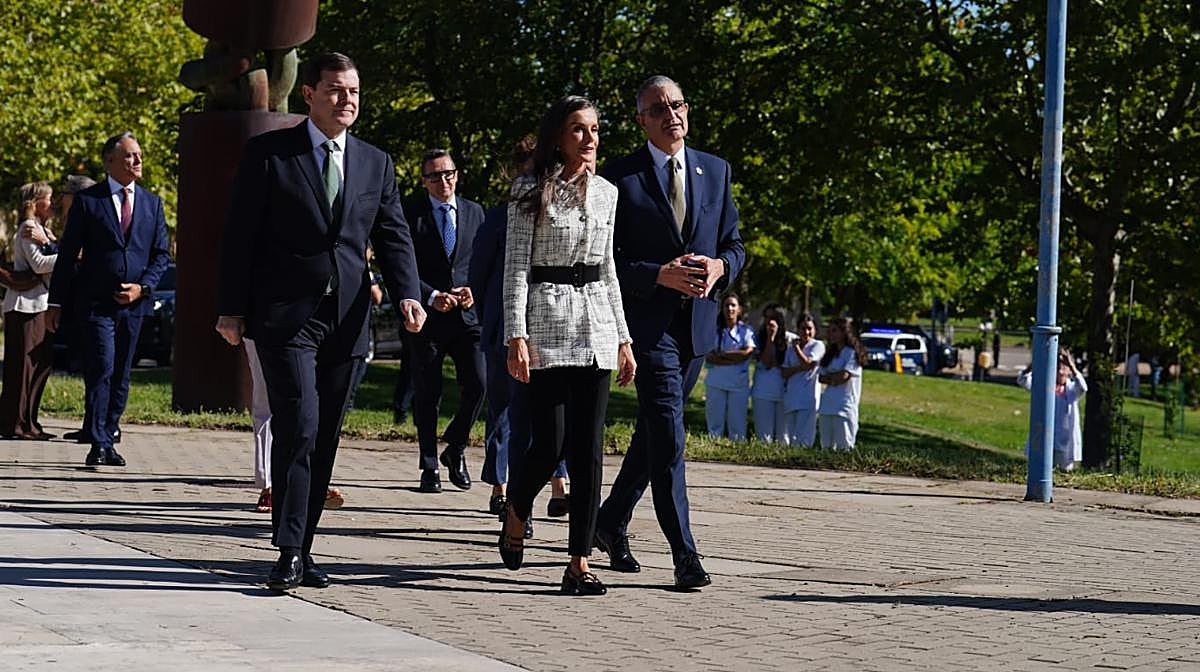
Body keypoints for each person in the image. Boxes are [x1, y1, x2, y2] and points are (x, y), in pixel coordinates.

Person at [215, 52, 426, 592]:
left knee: (326, 437)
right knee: (299, 426)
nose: (346, 100)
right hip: (286, 319)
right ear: (308, 94)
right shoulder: (270, 155)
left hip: (347, 320)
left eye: (354, 91)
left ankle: (305, 548)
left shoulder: (375, 163)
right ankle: (285, 551)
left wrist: (408, 295)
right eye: (335, 90)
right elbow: (239, 236)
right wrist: (231, 308)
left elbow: (394, 235)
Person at [593, 75, 744, 590]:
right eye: (658, 109)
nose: (670, 114)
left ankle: (609, 520)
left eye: (677, 104)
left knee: (655, 436)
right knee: (671, 436)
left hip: (696, 330)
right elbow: (606, 260)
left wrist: (722, 268)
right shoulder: (618, 179)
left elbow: (735, 244)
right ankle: (685, 555)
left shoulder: (716, 171)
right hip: (648, 328)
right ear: (642, 121)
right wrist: (657, 273)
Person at [497, 94, 636, 597]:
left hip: (596, 325)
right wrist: (516, 335)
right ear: (559, 135)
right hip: (547, 325)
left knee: (589, 450)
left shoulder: (607, 193)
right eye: (579, 129)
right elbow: (515, 268)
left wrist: (623, 337)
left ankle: (578, 563)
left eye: (595, 129)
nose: (590, 138)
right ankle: (516, 506)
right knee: (549, 443)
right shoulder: (528, 190)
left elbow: (610, 270)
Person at [47, 132, 172, 466]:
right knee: (102, 366)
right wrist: (55, 303)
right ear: (110, 161)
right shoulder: (90, 201)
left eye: (139, 155)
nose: (137, 160)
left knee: (121, 372)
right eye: (130, 155)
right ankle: (98, 441)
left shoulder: (152, 203)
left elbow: (161, 255)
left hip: (134, 305)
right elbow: (67, 254)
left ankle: (110, 433)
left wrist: (142, 288)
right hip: (96, 305)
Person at [468, 136, 569, 523]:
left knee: (536, 413)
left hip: (540, 328)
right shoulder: (500, 217)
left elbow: (478, 276)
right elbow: (479, 274)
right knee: (515, 411)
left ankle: (538, 487)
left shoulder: (540, 213)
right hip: (508, 330)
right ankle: (509, 488)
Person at [402, 149, 486, 494]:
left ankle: (455, 446)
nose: (444, 181)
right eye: (435, 176)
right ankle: (429, 466)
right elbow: (402, 267)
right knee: (428, 393)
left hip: (468, 318)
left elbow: (484, 262)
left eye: (448, 173)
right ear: (424, 181)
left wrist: (474, 290)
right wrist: (431, 295)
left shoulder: (475, 212)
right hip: (429, 318)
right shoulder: (411, 215)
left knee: (480, 383)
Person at [0, 182, 59, 439]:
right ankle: (16, 423)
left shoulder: (43, 230)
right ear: (35, 203)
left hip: (39, 305)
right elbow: (38, 264)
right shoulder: (28, 228)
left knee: (37, 367)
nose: (53, 203)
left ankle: (29, 422)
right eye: (49, 198)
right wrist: (67, 255)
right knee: (22, 368)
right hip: (25, 306)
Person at [1017, 349, 1086, 471]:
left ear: (1069, 371)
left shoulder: (1071, 390)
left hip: (1065, 441)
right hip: (1043, 437)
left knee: (1063, 472)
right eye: (1057, 367)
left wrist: (1072, 365)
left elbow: (1083, 387)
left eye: (1064, 367)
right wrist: (1035, 363)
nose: (1060, 371)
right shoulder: (1043, 385)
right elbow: (1022, 379)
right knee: (1039, 470)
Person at [704, 293, 755, 440]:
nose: (730, 308)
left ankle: (736, 449)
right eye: (726, 305)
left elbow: (746, 353)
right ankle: (712, 447)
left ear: (740, 309)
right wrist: (733, 358)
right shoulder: (714, 329)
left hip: (738, 384)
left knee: (737, 423)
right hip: (716, 382)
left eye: (733, 305)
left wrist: (722, 355)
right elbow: (709, 356)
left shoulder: (746, 330)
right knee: (715, 423)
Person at [817, 317, 866, 450]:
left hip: (844, 407)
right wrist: (834, 377)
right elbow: (821, 377)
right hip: (827, 406)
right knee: (826, 447)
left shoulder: (851, 354)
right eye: (829, 331)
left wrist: (832, 377)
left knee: (844, 447)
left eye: (834, 331)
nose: (830, 334)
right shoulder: (830, 355)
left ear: (844, 332)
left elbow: (844, 376)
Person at [781, 313, 825, 447]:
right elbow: (784, 372)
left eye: (809, 328)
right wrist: (801, 368)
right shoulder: (790, 349)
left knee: (805, 437)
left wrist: (797, 349)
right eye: (803, 328)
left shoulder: (818, 345)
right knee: (791, 437)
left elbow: (808, 362)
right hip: (792, 397)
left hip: (808, 399)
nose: (806, 332)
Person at [751, 308, 789, 443]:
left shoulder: (789, 338)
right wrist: (770, 338)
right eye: (766, 317)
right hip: (763, 392)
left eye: (773, 318)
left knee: (783, 436)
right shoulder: (758, 337)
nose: (769, 321)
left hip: (784, 392)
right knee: (764, 435)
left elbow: (783, 364)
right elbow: (767, 361)